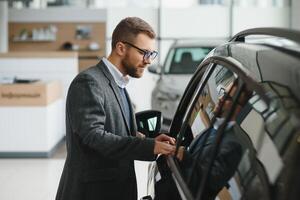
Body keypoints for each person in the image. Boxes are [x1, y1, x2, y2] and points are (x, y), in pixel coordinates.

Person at [55, 17, 176, 200]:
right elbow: (94, 137)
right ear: (121, 48)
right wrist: (148, 146)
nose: (148, 61)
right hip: (93, 193)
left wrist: (149, 140)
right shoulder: (89, 82)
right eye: (144, 53)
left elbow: (117, 130)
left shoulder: (118, 84)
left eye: (152, 54)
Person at [174, 81, 253, 200]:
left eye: (228, 98)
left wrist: (185, 156)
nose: (221, 98)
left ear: (238, 108)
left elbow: (211, 181)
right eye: (223, 93)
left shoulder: (233, 146)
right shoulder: (213, 128)